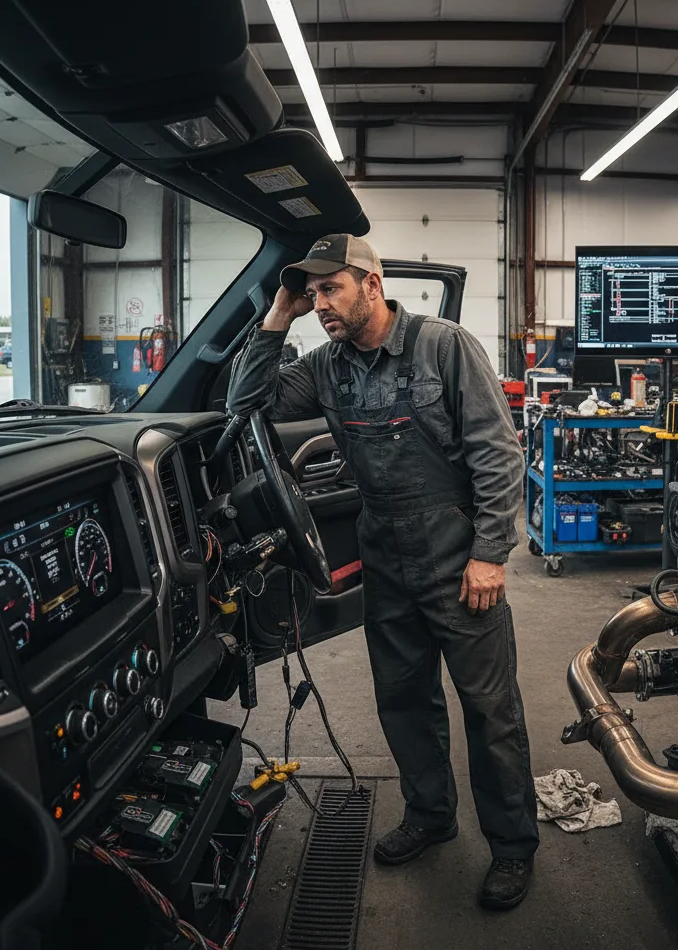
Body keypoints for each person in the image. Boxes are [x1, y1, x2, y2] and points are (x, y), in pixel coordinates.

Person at [227, 233, 538, 909]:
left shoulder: (443, 345)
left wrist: (490, 553)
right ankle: (430, 815)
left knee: (490, 710)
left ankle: (513, 846)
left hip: (457, 553)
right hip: (385, 556)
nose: (321, 305)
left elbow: (497, 454)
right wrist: (277, 315)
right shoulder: (326, 365)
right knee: (403, 698)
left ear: (372, 284)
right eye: (311, 295)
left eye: (330, 289)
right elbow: (248, 404)